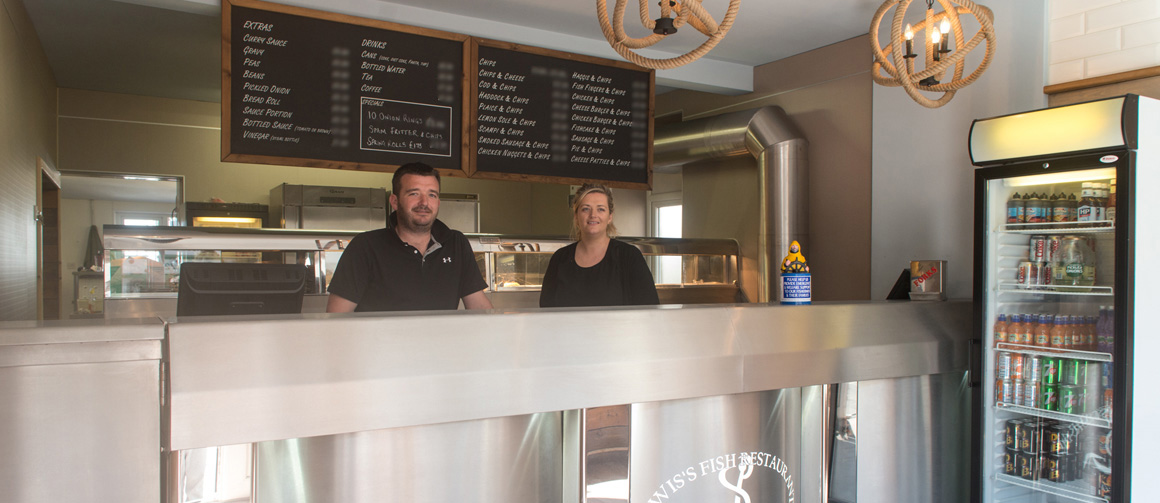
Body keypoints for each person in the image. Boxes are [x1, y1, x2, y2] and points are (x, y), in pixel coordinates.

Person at [326, 162, 492, 312]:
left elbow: (478, 305)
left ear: (438, 202)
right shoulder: (364, 247)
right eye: (414, 194)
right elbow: (337, 316)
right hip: (381, 345)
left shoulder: (456, 243)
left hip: (441, 344)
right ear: (395, 201)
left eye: (432, 195)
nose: (424, 202)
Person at [539, 183, 659, 307]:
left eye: (601, 209)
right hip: (568, 327)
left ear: (609, 217)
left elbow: (649, 309)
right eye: (586, 209)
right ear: (576, 216)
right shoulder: (560, 258)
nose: (593, 215)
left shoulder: (629, 256)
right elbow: (546, 309)